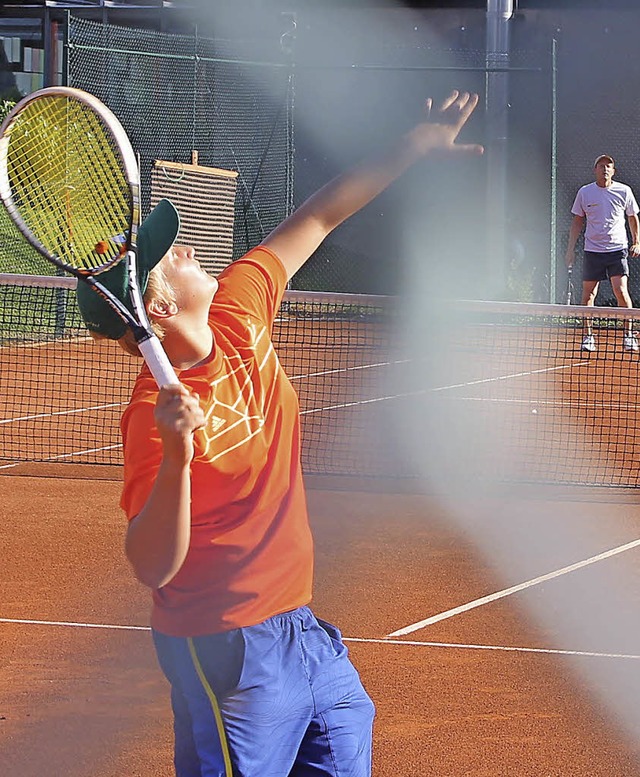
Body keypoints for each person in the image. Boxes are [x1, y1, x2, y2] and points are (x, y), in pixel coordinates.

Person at [77, 90, 483, 777]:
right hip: (226, 647)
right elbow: (151, 564)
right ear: (157, 304)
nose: (192, 248)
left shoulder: (240, 308)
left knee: (346, 741)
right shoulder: (154, 413)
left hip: (300, 625)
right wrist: (178, 454)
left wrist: (410, 148)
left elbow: (320, 215)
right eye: (172, 254)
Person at [565, 154, 640, 352]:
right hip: (592, 251)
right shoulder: (585, 192)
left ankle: (629, 336)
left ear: (613, 171)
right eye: (601, 166)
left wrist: (637, 242)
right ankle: (588, 337)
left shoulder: (624, 191)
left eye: (608, 166)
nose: (605, 169)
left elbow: (632, 218)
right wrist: (570, 250)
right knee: (588, 294)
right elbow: (577, 222)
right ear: (595, 170)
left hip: (617, 249)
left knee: (620, 290)